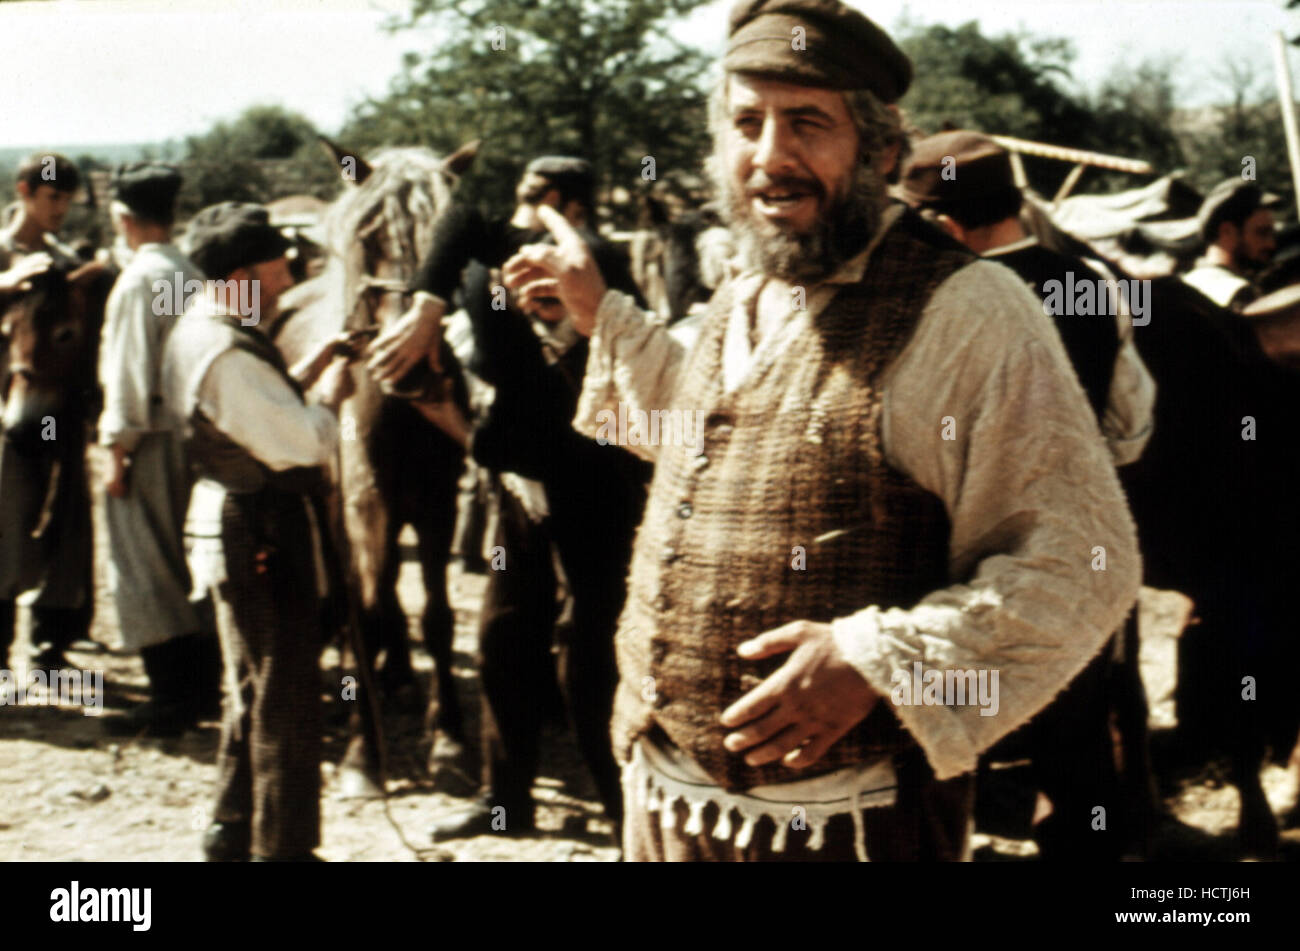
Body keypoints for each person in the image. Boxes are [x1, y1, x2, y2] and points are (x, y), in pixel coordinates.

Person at [503, 0, 1141, 862]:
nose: (770, 156)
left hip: (847, 820)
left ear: (880, 152)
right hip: (663, 793)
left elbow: (1083, 558)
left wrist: (871, 656)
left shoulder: (968, 309)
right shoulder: (744, 289)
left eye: (807, 123)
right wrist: (597, 312)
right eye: (746, 122)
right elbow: (708, 439)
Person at [900, 130, 1158, 859]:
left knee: (942, 741)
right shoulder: (1092, 283)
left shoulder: (936, 303)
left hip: (952, 567)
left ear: (945, 227)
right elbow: (1131, 425)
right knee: (1075, 749)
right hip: (1073, 561)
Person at [160, 202, 356, 861]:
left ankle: (231, 828)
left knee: (252, 687)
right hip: (259, 529)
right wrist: (331, 391)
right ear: (243, 269)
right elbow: (301, 444)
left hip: (235, 519)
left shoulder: (209, 327)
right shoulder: (226, 347)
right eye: (275, 265)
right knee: (286, 697)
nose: (285, 275)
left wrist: (311, 363)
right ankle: (285, 850)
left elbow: (254, 413)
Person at [97, 163, 220, 736]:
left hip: (147, 435)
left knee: (145, 563)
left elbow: (126, 371)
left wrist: (116, 451)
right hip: (193, 432)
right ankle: (201, 689)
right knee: (187, 560)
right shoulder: (190, 272)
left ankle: (170, 697)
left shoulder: (137, 280)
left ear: (122, 217)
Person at [0, 152, 96, 672]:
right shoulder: (2, 253)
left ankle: (48, 646)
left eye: (66, 198)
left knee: (63, 519)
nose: (59, 207)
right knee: (8, 519)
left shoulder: (62, 258)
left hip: (57, 409)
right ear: (24, 192)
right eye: (51, 196)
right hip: (9, 411)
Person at [1182, 179, 1279, 311]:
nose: (1271, 244)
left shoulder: (1187, 284)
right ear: (1226, 232)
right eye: (1262, 233)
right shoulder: (1235, 293)